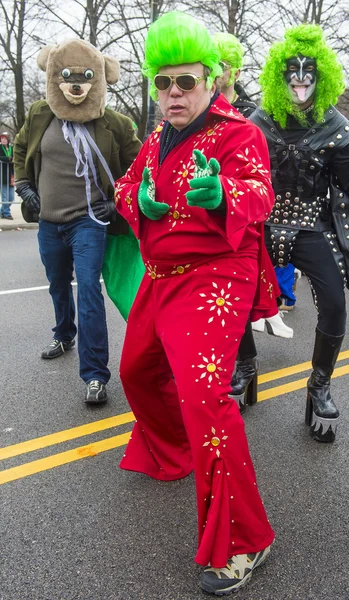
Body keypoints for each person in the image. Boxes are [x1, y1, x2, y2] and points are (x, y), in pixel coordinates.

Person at [115, 12, 275, 595]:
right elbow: (124, 187)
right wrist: (144, 200)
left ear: (210, 81)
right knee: (135, 369)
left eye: (186, 82)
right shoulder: (156, 138)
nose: (173, 93)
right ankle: (177, 450)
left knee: (206, 398)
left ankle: (243, 541)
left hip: (213, 275)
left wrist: (223, 192)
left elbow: (260, 194)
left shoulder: (239, 134)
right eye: (163, 82)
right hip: (161, 275)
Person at [249, 24, 349, 442]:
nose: (300, 77)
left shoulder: (336, 125)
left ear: (321, 75)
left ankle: (320, 383)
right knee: (234, 295)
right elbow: (242, 171)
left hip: (312, 225)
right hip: (264, 221)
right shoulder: (258, 120)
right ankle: (243, 365)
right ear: (280, 74)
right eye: (292, 70)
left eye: (309, 70)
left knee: (334, 302)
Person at [14, 40, 141, 404]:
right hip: (49, 222)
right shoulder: (41, 114)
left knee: (88, 290)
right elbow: (21, 149)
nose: (74, 84)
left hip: (89, 222)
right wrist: (24, 187)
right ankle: (63, 332)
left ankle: (95, 375)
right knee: (57, 284)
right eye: (66, 76)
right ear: (56, 75)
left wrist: (116, 205)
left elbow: (140, 168)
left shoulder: (113, 124)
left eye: (84, 77)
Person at [212, 32, 293, 412]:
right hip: (211, 216)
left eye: (223, 65)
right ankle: (236, 362)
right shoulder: (201, 109)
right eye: (212, 64)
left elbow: (268, 166)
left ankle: (245, 363)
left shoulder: (252, 113)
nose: (217, 72)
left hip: (248, 216)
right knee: (217, 298)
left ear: (236, 70)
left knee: (240, 297)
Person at [0, 131, 14, 219]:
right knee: (5, 196)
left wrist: (11, 159)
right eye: (2, 138)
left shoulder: (11, 148)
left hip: (11, 175)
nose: (3, 140)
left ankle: (2, 211)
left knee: (11, 197)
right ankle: (6, 213)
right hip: (2, 175)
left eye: (5, 138)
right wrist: (7, 159)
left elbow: (15, 157)